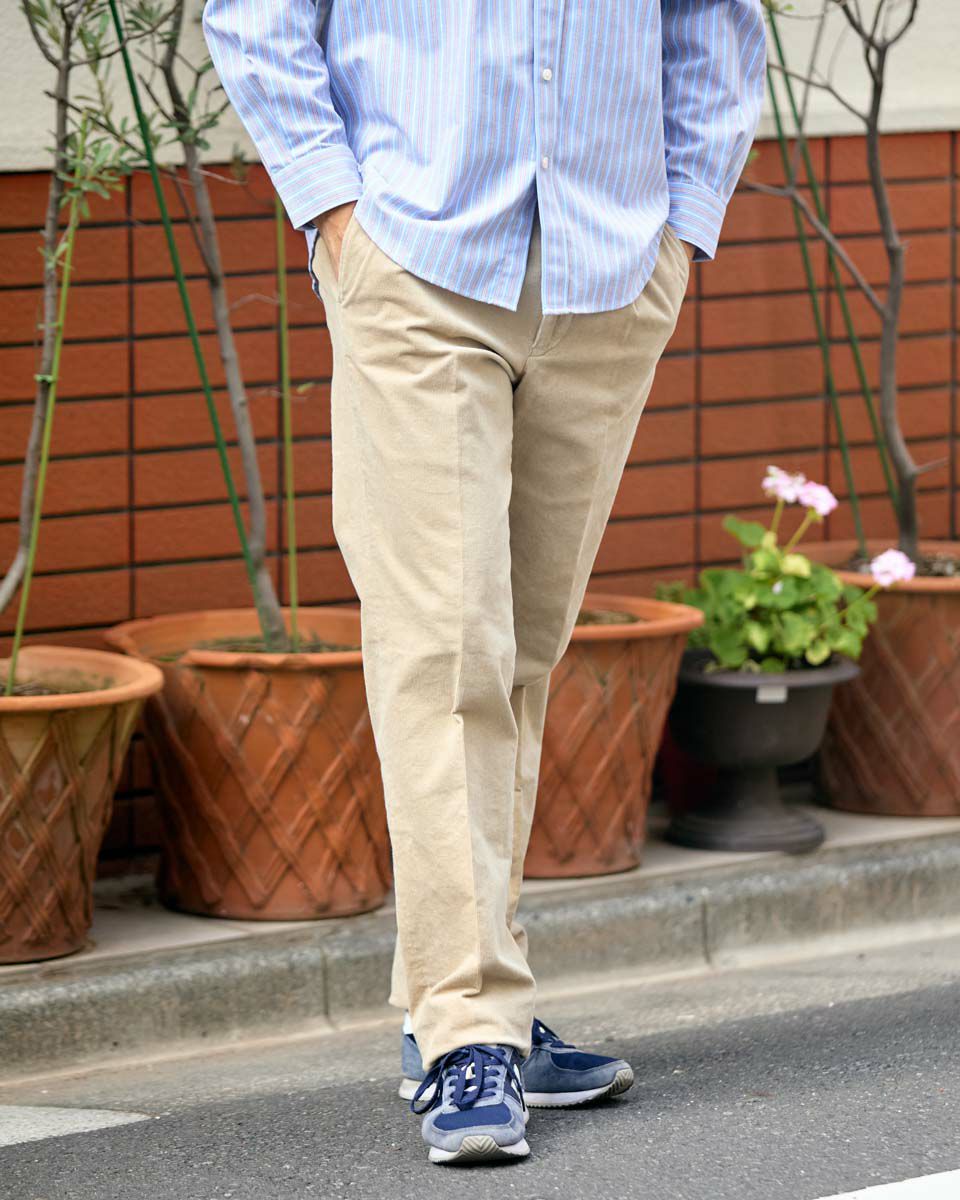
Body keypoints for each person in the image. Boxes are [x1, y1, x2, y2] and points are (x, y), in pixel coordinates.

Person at [202, 0, 766, 1166]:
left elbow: (715, 21)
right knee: (447, 650)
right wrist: (336, 209)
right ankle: (468, 1029)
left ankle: (471, 997)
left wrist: (685, 225)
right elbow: (256, 15)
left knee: (522, 652)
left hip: (609, 267)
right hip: (417, 260)